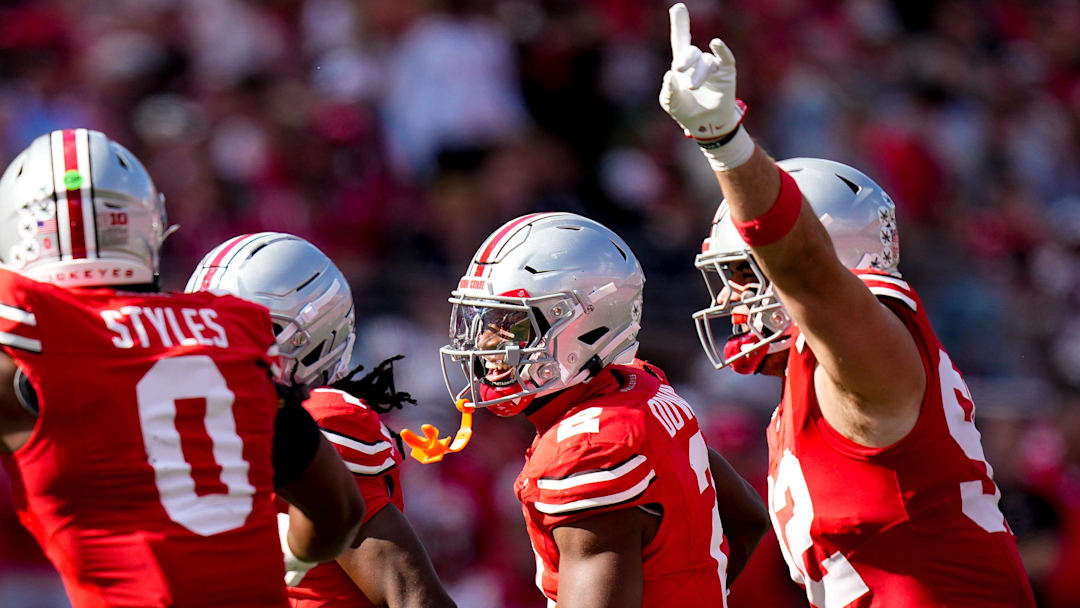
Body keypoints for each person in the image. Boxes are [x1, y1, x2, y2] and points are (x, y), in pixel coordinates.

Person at [659, 4, 1037, 606]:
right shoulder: (812, 379)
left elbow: (807, 271)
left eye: (742, 272)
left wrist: (725, 142)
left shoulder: (868, 350)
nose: (729, 297)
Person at [0, 129, 364, 608]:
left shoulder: (24, 351)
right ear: (146, 225)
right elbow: (338, 513)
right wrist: (289, 561)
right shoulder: (227, 335)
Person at [439, 212, 769, 607]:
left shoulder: (589, 448)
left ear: (585, 326)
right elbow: (748, 518)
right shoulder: (640, 387)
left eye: (511, 324)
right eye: (482, 320)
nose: (486, 344)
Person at [187, 232, 455, 608]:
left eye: (242, 330)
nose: (219, 348)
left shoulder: (321, 419)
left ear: (313, 340)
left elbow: (415, 599)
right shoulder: (195, 422)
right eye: (208, 327)